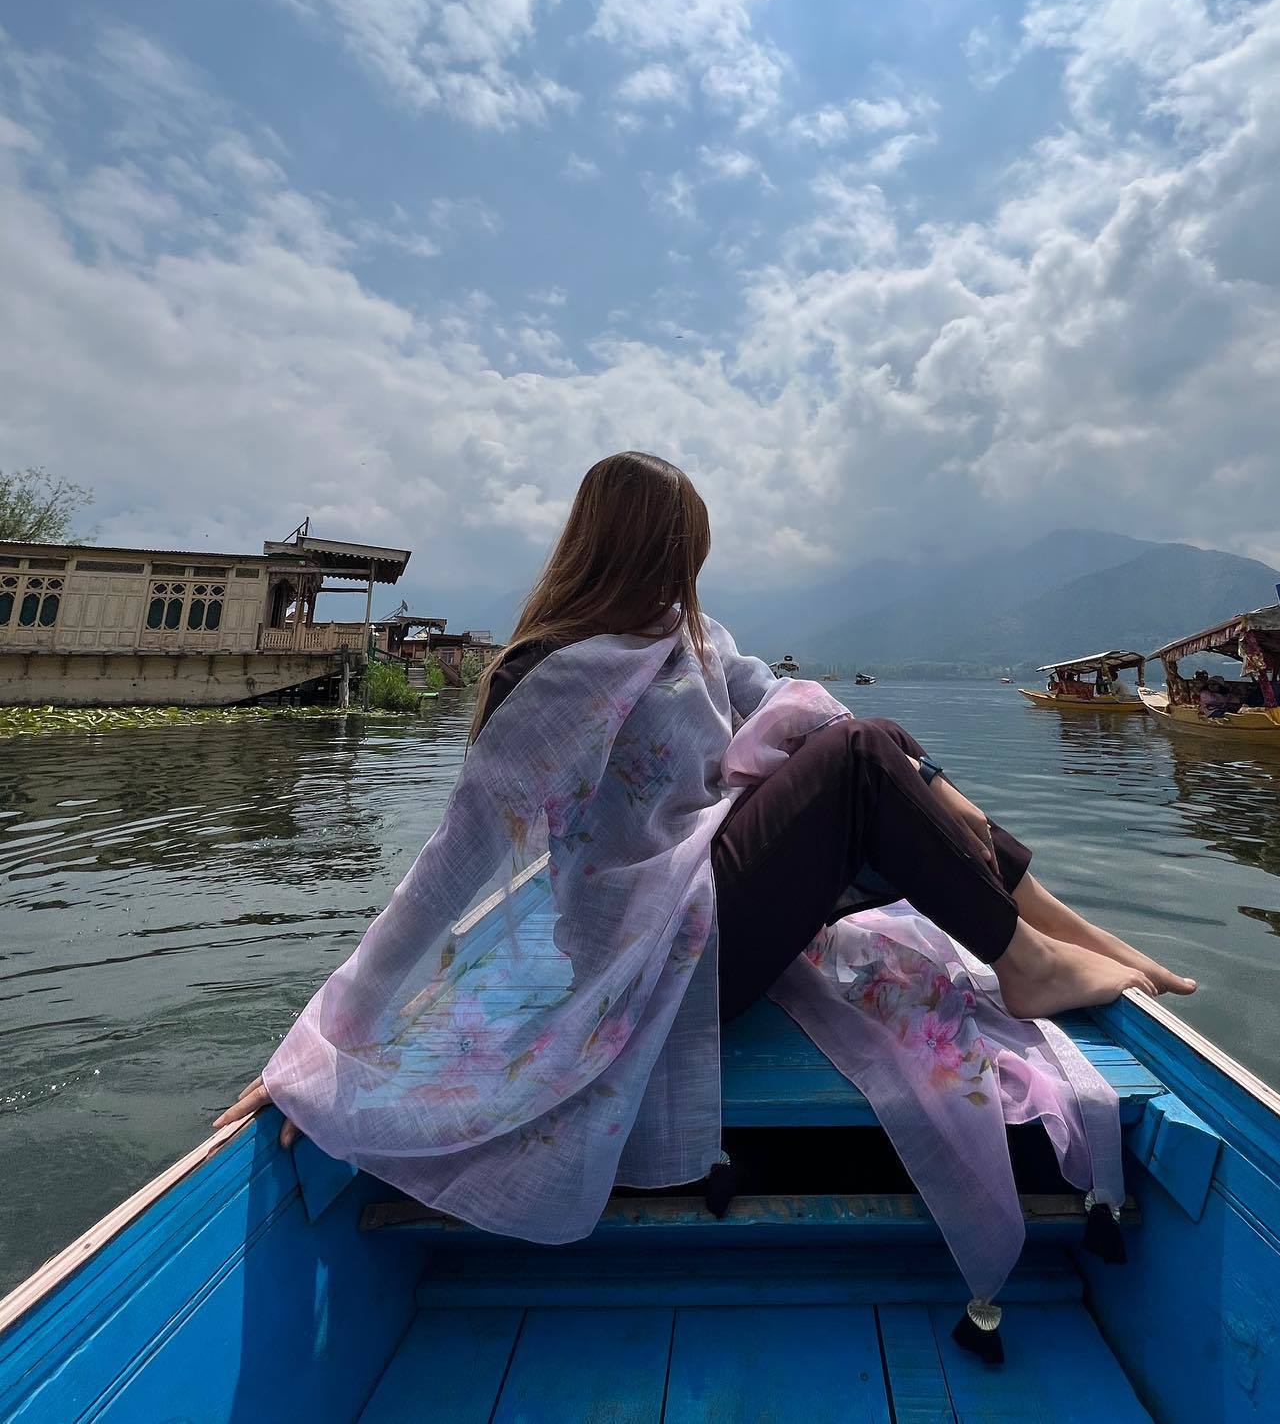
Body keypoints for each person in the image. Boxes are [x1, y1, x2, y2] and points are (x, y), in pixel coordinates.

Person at [215, 452, 1195, 1171]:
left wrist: (941, 785)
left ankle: (1065, 934)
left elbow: (808, 706)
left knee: (873, 737)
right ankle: (1026, 960)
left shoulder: (689, 636)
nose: (685, 577)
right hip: (656, 961)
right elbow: (449, 865)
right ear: (631, 549)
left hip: (716, 904)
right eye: (677, 553)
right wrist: (325, 1042)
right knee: (862, 756)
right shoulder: (547, 677)